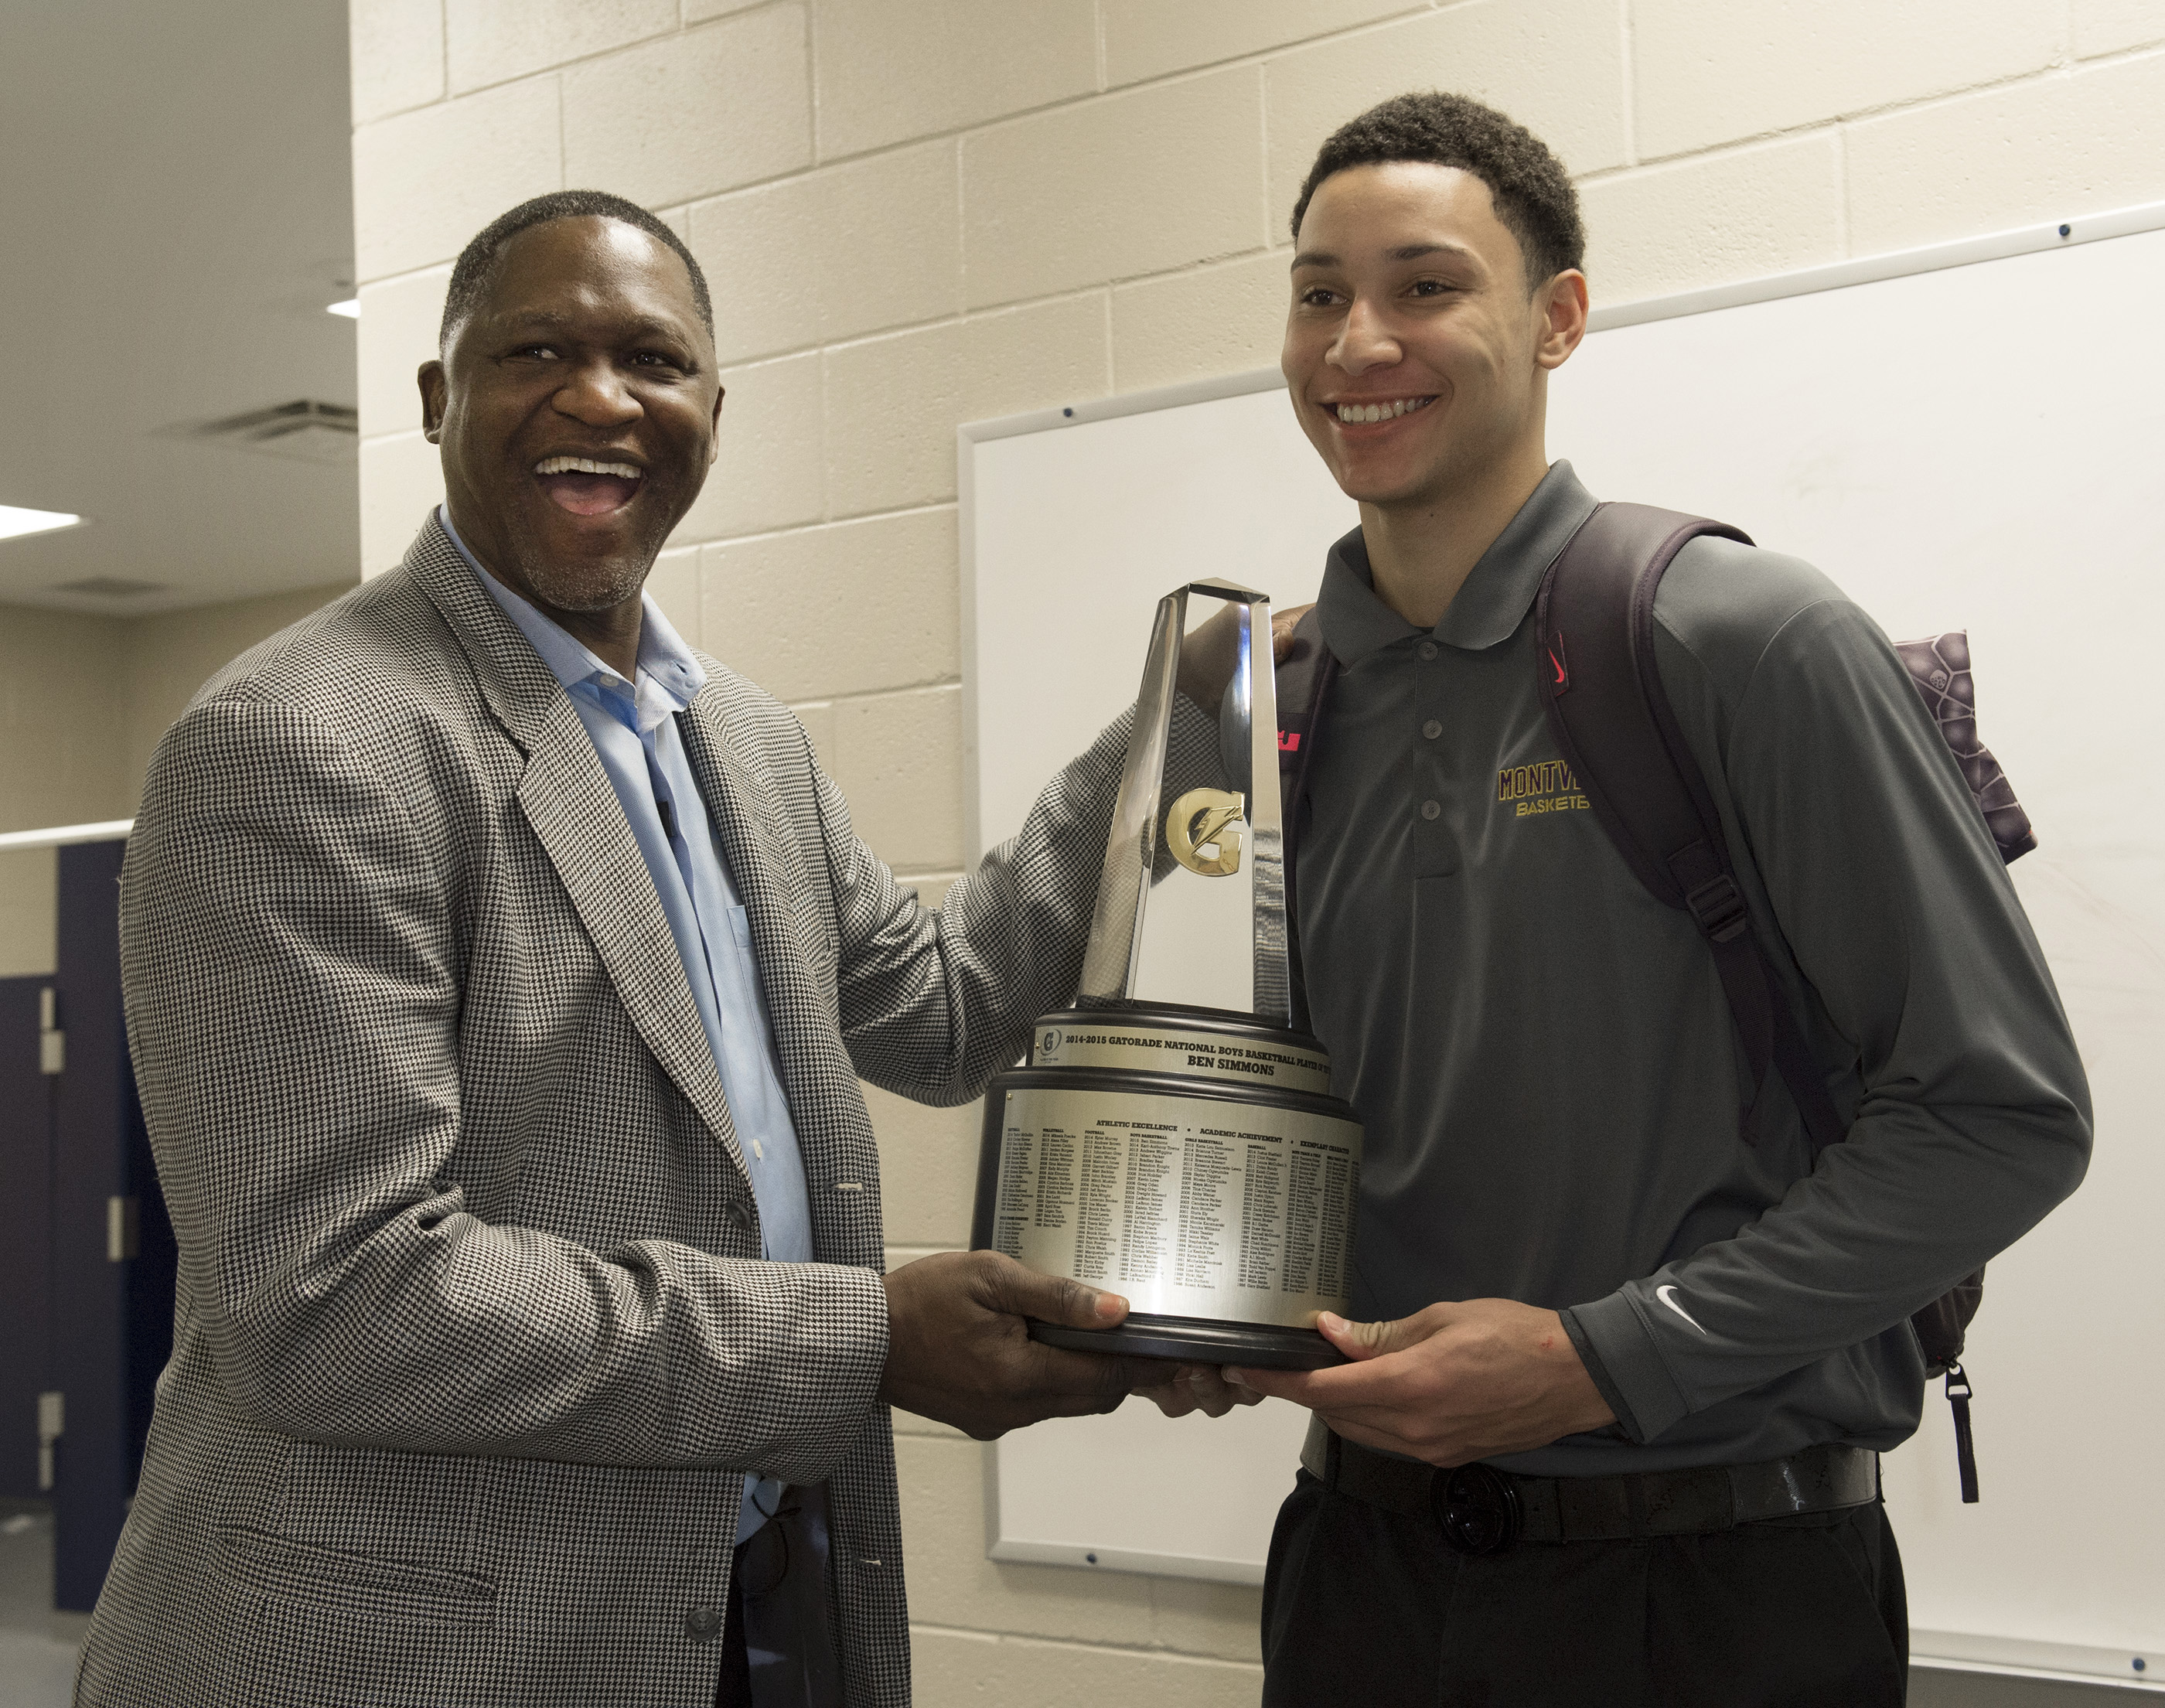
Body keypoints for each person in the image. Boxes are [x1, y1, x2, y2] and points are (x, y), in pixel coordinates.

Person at [85, 190, 1235, 1708]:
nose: (598, 398)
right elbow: (337, 1298)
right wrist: (866, 1339)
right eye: (536, 352)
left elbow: (944, 1015)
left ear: (710, 410)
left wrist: (1167, 738)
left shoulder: (739, 739)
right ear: (436, 397)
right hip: (419, 1650)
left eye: (653, 360)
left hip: (748, 1603)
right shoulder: (302, 742)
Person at [1219, 94, 2092, 1705]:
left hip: (1711, 1596)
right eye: (1317, 291)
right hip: (1356, 1578)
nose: (1356, 342)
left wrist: (1593, 1359)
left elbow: (1997, 1117)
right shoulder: (1267, 707)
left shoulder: (1738, 637)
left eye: (1422, 286)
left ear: (1555, 317)